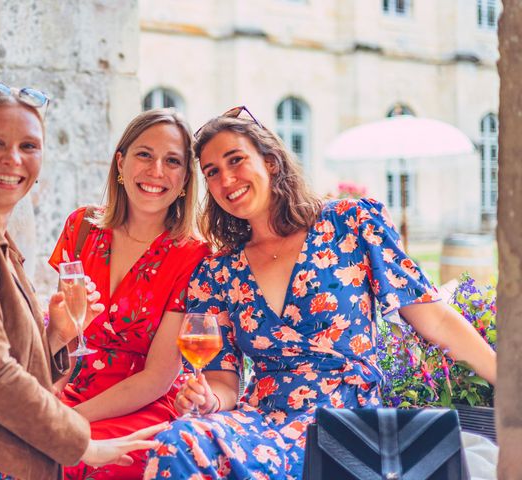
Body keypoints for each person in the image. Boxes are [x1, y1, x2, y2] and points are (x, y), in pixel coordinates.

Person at [143, 107, 497, 479]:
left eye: (236, 160)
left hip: (347, 421)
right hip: (261, 420)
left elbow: (435, 317)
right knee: (178, 441)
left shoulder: (351, 222)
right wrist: (208, 399)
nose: (227, 179)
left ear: (271, 162)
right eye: (212, 172)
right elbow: (223, 381)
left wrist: (505, 381)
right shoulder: (217, 272)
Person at [0, 83, 166, 480]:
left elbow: (4, 363)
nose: (13, 159)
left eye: (29, 146)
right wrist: (84, 445)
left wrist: (57, 336)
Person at [48, 108, 210, 479]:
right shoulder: (81, 227)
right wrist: (47, 405)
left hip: (142, 405)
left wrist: (68, 422)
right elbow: (65, 338)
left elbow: (158, 377)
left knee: (80, 462)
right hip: (70, 391)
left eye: (172, 161)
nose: (156, 171)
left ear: (185, 179)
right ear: (120, 162)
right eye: (144, 154)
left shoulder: (193, 255)